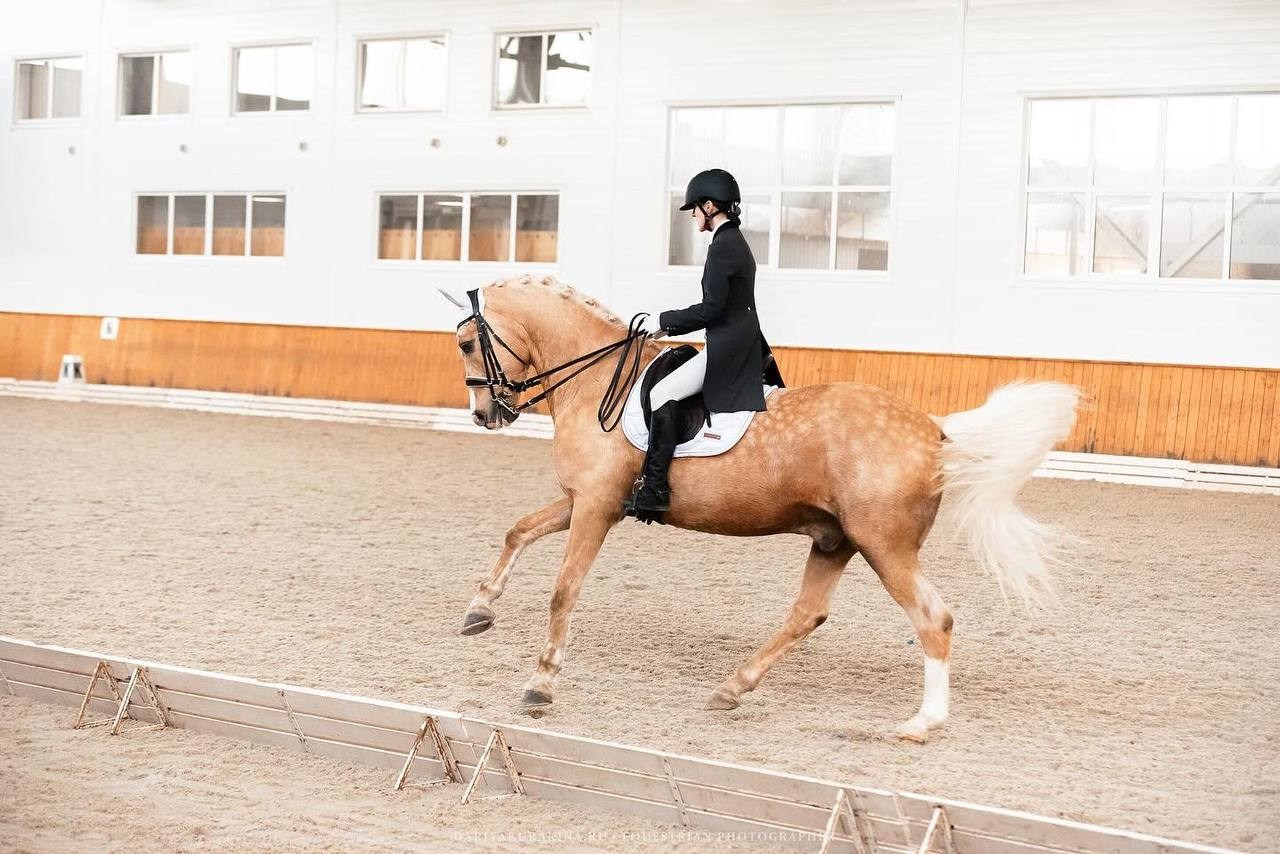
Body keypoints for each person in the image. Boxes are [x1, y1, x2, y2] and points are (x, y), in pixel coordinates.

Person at [623, 168, 780, 524]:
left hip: (729, 347)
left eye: (695, 207)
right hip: (734, 341)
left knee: (663, 393)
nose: (693, 214)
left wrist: (664, 321)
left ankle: (655, 488)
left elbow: (712, 309)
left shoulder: (725, 246)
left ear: (710, 206)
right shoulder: (732, 242)